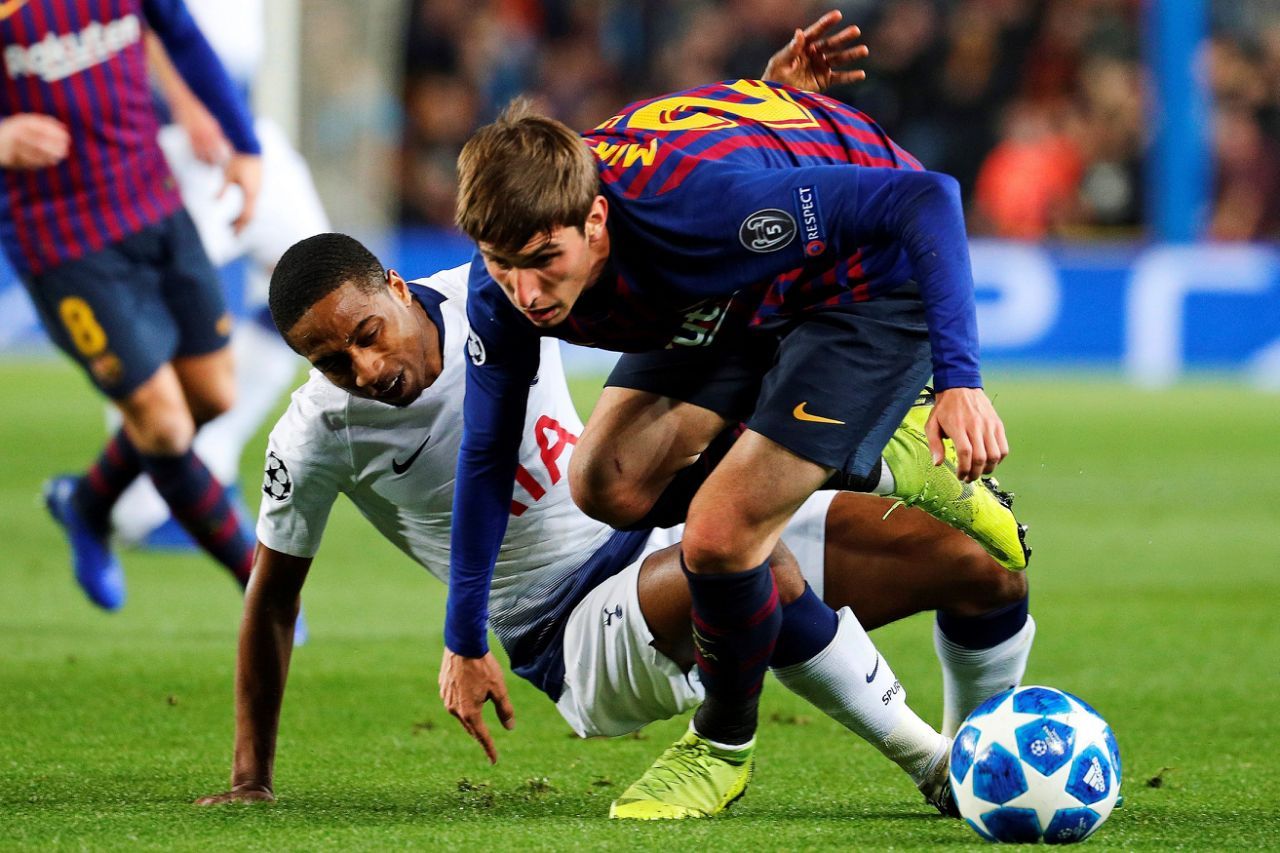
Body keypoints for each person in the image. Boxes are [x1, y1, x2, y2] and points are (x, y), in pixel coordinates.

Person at [193, 235, 1033, 816]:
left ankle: (981, 746)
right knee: (746, 559)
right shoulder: (313, 434)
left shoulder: (501, 290)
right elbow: (271, 600)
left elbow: (608, 205)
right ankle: (937, 766)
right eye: (330, 362)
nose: (363, 371)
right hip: (570, 631)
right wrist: (250, 777)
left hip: (655, 530)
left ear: (396, 288)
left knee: (978, 564)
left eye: (366, 337)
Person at [446, 16, 1030, 818]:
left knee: (721, 534)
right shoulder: (509, 285)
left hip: (868, 286)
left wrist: (963, 382)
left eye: (545, 262)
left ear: (595, 221)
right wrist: (463, 634)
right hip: (736, 294)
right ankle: (860, 460)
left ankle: (720, 748)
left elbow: (927, 197)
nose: (528, 294)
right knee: (604, 480)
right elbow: (487, 451)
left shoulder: (701, 211)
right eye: (501, 266)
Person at [0, 0, 263, 610]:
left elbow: (182, 35)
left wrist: (244, 143)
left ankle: (86, 504)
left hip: (154, 206)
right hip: (62, 243)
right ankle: (263, 587)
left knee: (212, 397)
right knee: (163, 421)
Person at [108, 0, 331, 549]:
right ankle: (137, 501)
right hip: (177, 137)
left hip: (244, 126)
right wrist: (185, 102)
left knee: (318, 284)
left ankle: (208, 458)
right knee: (156, 320)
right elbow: (142, 20)